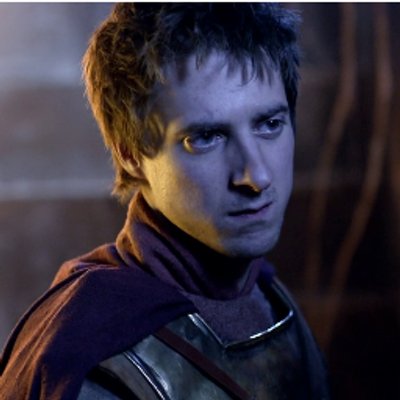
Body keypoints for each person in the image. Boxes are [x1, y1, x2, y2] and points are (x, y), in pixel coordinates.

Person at [0, 3, 330, 399]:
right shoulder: (95, 356)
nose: (255, 176)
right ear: (131, 155)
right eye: (204, 138)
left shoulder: (269, 296)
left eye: (269, 124)